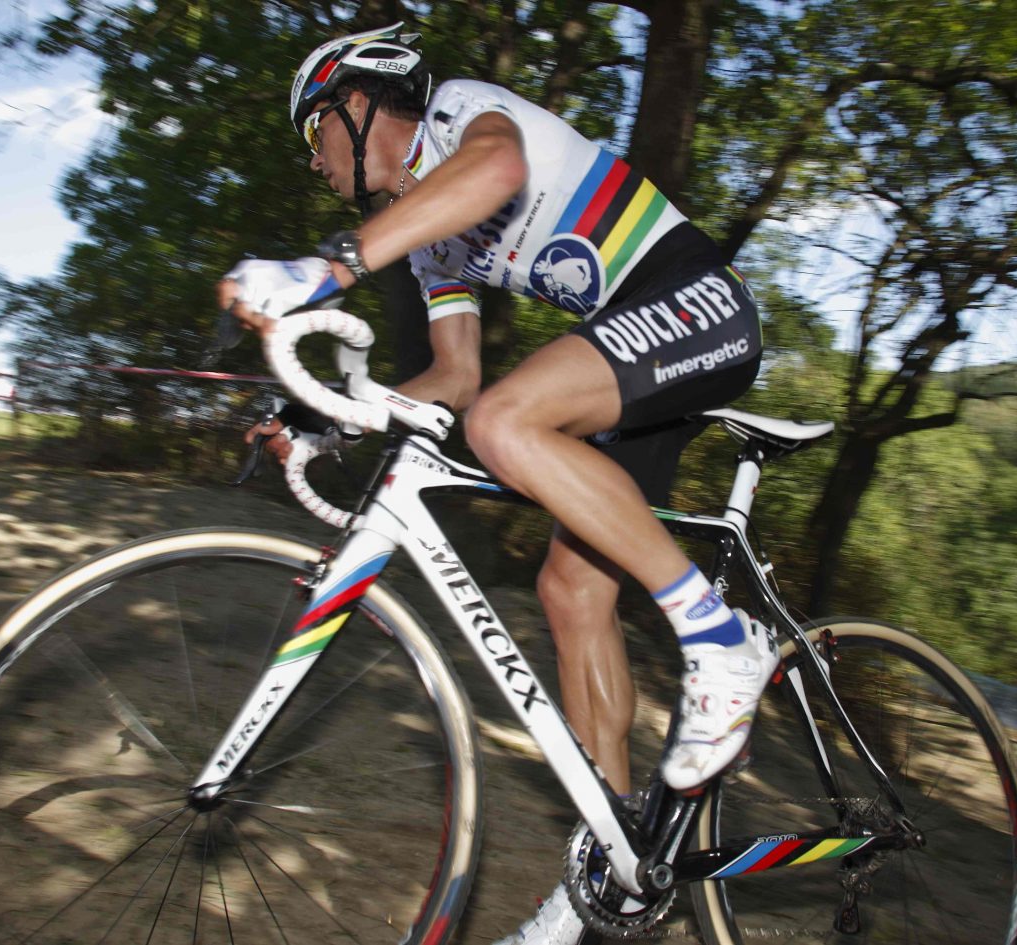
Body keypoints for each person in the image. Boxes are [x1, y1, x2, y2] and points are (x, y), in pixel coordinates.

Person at [219, 25, 778, 943]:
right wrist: (328, 418)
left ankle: (721, 642)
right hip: (633, 352)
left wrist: (329, 266)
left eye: (314, 133)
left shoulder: (459, 112)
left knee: (506, 423)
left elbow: (496, 172)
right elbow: (454, 374)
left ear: (356, 104)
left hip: (695, 300)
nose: (314, 161)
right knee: (569, 591)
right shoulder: (431, 243)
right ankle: (612, 866)